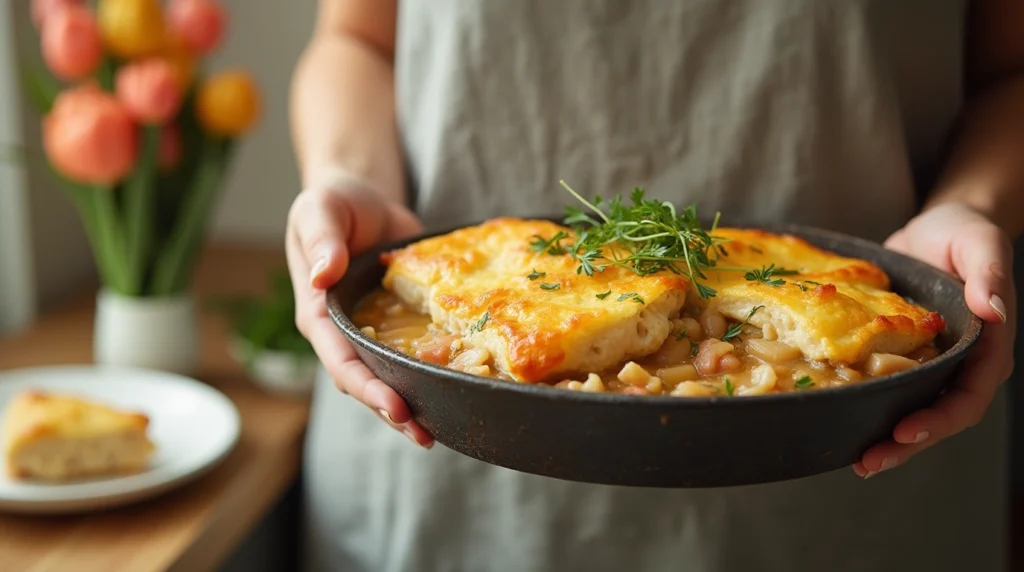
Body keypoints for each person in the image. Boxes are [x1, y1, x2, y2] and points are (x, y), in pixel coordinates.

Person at [286, 2, 1021, 571]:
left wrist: (975, 204)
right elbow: (356, 40)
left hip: (864, 474)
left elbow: (1009, 73)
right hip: (442, 455)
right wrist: (348, 180)